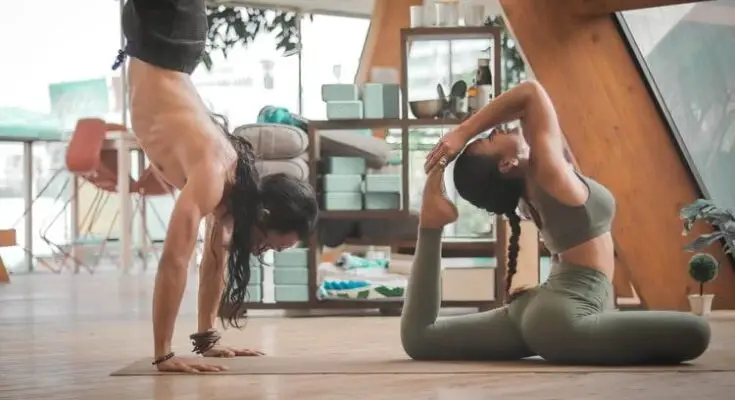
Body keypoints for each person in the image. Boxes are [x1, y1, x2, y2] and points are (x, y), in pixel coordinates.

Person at [400, 80, 711, 364]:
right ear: (507, 164)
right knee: (698, 333)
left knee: (422, 338)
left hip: (539, 310)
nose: (497, 130)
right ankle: (431, 220)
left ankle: (430, 226)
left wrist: (442, 168)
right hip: (566, 318)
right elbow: (530, 93)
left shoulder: (527, 195)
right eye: (491, 138)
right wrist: (462, 133)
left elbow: (528, 111)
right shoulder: (547, 171)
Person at [114, 0, 318, 373]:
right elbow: (174, 260)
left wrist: (207, 341)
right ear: (265, 214)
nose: (260, 251)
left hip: (166, 43)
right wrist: (164, 355)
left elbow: (213, 262)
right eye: (268, 244)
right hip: (166, 32)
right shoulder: (214, 174)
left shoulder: (231, 200)